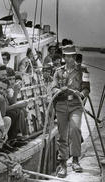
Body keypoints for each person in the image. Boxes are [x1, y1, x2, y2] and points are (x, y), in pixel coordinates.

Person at [52, 45, 90, 178]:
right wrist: (58, 90)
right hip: (61, 105)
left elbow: (86, 89)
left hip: (75, 105)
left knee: (75, 129)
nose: (69, 58)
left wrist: (81, 94)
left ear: (74, 57)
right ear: (64, 57)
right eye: (66, 56)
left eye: (71, 56)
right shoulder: (58, 71)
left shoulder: (83, 70)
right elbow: (53, 88)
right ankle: (62, 163)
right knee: (62, 135)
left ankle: (75, 160)